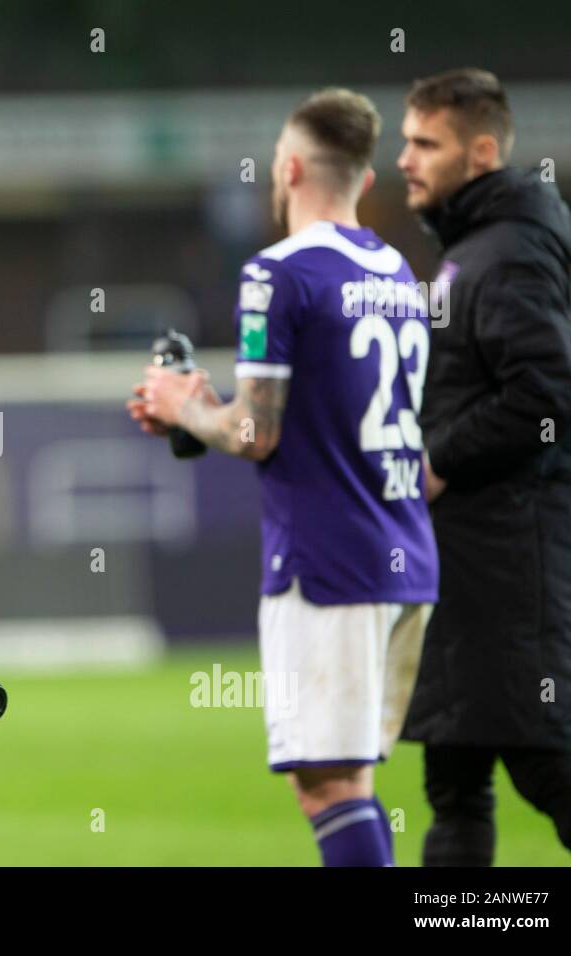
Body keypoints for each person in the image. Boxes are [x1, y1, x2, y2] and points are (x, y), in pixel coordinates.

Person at [130, 89, 438, 866]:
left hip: (327, 565)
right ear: (365, 179)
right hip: (403, 555)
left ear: (291, 167)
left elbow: (254, 431)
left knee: (328, 788)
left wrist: (183, 403)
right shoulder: (398, 272)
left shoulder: (277, 273)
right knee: (350, 781)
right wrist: (202, 407)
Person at [396, 68, 571, 867]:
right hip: (471, 556)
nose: (404, 158)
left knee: (546, 769)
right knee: (453, 776)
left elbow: (552, 394)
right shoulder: (473, 250)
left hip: (514, 559)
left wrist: (440, 457)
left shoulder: (508, 253)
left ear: (481, 152)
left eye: (424, 143)